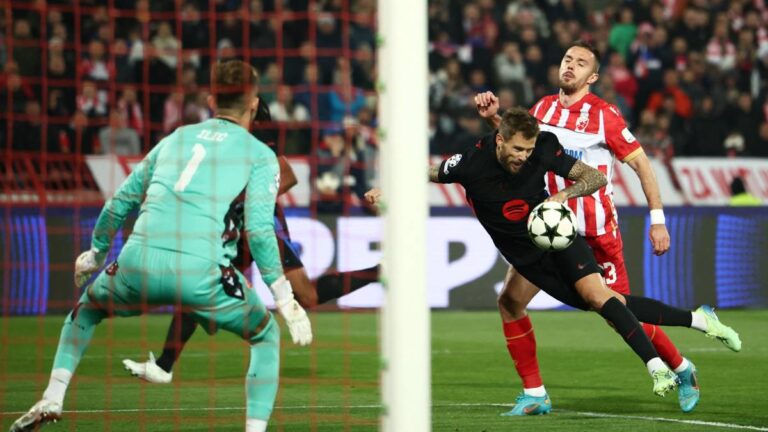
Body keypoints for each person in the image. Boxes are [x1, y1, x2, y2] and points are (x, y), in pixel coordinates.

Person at [366, 107, 740, 412]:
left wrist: (562, 198)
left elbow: (593, 178)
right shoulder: (470, 162)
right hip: (526, 258)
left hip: (558, 238)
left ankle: (665, 359)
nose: (523, 158)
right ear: (500, 141)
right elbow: (427, 173)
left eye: (527, 151)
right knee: (520, 302)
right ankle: (537, 393)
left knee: (601, 300)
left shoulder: (544, 146)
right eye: (516, 150)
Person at [10, 60, 313, 432]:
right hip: (200, 270)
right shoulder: (260, 155)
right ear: (254, 103)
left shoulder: (175, 137)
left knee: (85, 311)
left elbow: (117, 203)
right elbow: (261, 231)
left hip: (136, 262)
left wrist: (95, 254)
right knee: (265, 334)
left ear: (211, 98)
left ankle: (53, 395)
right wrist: (285, 298)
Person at [474, 40, 699, 414]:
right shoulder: (542, 108)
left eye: (580, 64)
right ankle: (535, 394)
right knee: (510, 300)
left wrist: (657, 221)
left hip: (596, 235)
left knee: (622, 314)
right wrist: (493, 120)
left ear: (592, 77)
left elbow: (643, 165)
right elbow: (520, 146)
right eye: (566, 60)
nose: (570, 67)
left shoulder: (604, 116)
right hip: (550, 231)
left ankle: (682, 367)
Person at [121, 97, 380, 385]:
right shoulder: (220, 136)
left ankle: (378, 271)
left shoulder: (257, 136)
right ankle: (164, 366)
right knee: (200, 284)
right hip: (235, 228)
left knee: (306, 296)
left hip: (265, 225)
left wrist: (241, 199)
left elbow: (288, 176)